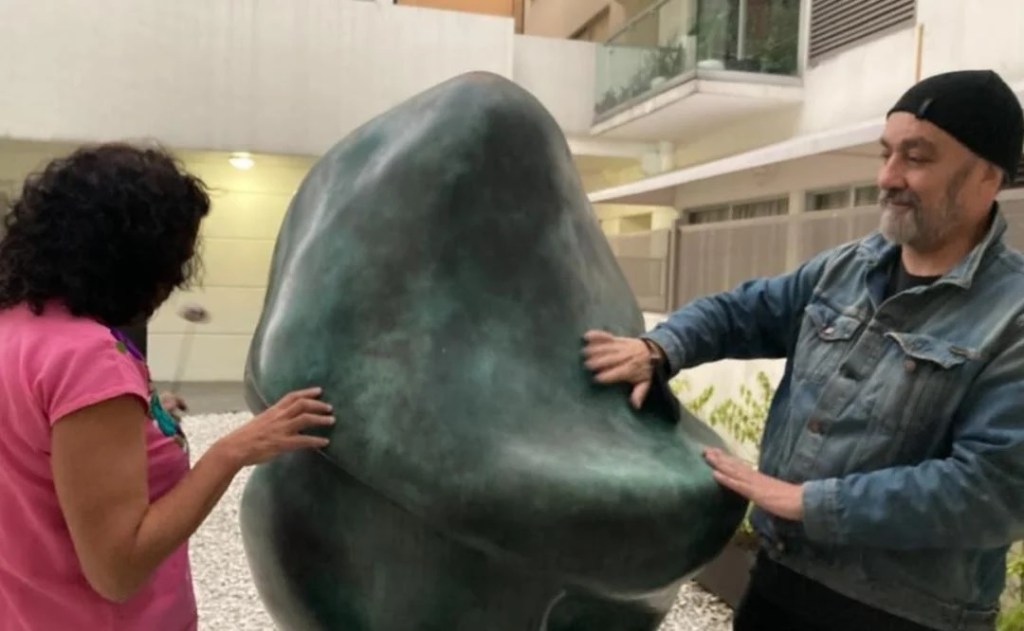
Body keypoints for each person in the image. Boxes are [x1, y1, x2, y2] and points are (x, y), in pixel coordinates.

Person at [582, 69, 1024, 631]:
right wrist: (660, 347)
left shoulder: (1012, 315)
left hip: (903, 615)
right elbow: (741, 312)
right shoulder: (846, 268)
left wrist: (805, 502)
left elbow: (994, 489)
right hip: (780, 583)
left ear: (987, 176)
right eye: (886, 153)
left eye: (916, 157)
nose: (888, 177)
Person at [0, 143, 335, 630]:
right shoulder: (89, 360)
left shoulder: (15, 327)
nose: (177, 278)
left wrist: (136, 416)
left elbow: (44, 446)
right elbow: (118, 569)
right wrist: (232, 451)